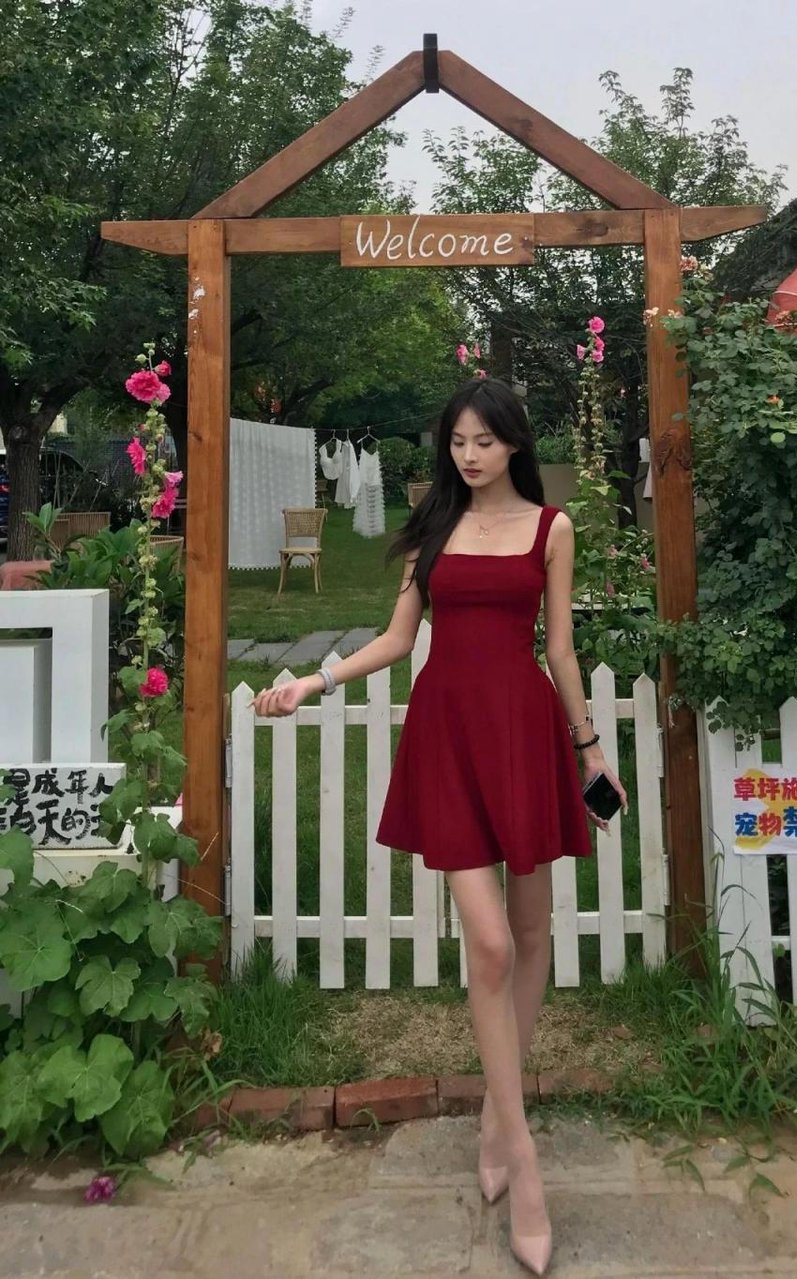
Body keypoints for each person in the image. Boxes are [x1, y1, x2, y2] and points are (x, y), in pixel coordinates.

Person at [253, 377, 627, 1276]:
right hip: (449, 731)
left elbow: (560, 647)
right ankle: (523, 1156)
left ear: (514, 443)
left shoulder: (552, 529)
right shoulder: (434, 529)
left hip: (523, 728)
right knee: (490, 943)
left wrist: (588, 749)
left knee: (532, 934)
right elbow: (396, 640)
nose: (469, 454)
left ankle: (497, 1114)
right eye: (458, 441)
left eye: (484, 441)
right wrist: (314, 680)